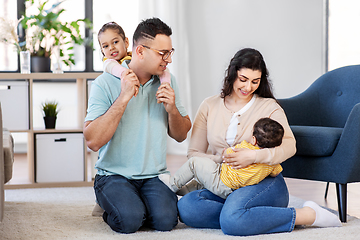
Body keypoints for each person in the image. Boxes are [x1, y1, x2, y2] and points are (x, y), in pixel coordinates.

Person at [177, 48, 342, 236]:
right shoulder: (209, 105)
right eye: (243, 79)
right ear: (232, 75)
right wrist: (224, 159)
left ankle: (307, 215)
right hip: (224, 182)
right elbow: (194, 153)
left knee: (232, 222)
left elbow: (290, 145)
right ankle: (244, 215)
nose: (248, 87)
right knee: (187, 207)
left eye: (255, 81)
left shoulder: (268, 106)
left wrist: (254, 155)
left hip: (264, 183)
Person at [83, 17, 191, 234]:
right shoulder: (104, 83)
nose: (168, 60)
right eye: (163, 53)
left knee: (166, 221)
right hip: (113, 175)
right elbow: (92, 141)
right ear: (140, 51)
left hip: (153, 175)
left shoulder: (168, 82)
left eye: (170, 52)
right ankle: (113, 206)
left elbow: (180, 135)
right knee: (129, 220)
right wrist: (123, 97)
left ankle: (137, 203)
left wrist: (172, 110)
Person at [160, 117, 284, 199]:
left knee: (194, 164)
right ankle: (180, 192)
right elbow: (274, 174)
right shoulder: (271, 162)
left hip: (221, 179)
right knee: (197, 185)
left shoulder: (246, 147)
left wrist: (226, 152)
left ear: (254, 139)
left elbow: (227, 154)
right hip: (232, 190)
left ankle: (173, 184)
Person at [98, 21, 171, 98]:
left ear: (126, 42)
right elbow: (114, 68)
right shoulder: (108, 63)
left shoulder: (134, 56)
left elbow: (163, 69)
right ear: (102, 50)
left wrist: (165, 84)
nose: (111, 48)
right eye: (105, 46)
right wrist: (125, 74)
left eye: (115, 42)